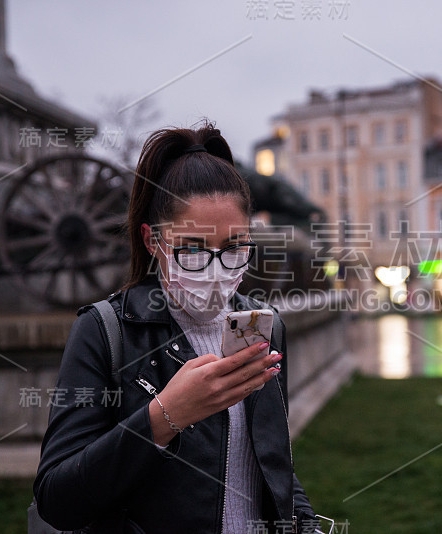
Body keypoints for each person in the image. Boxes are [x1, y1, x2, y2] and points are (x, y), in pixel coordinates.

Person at [33, 123, 317, 533]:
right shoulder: (105, 330)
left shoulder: (263, 326)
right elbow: (57, 499)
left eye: (235, 248)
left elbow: (274, 466)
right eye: (193, 250)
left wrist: (305, 523)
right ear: (153, 241)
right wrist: (166, 416)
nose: (217, 271)